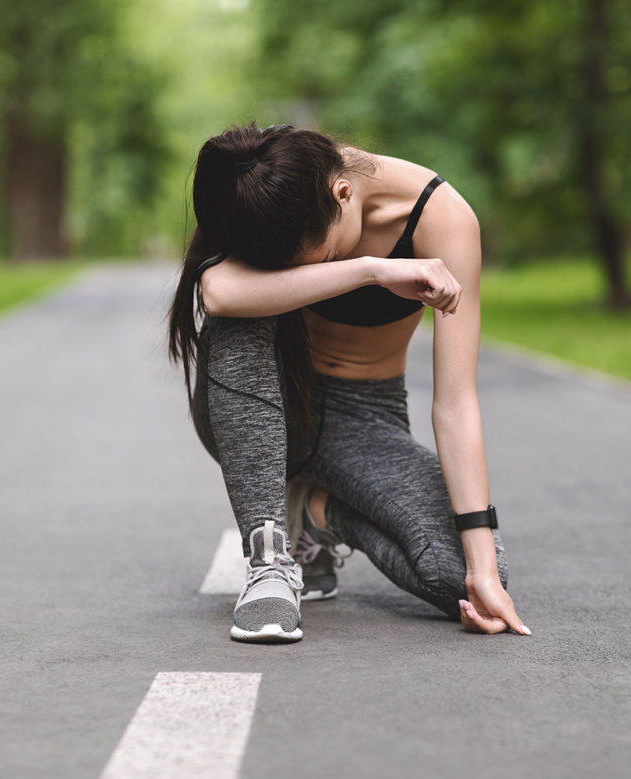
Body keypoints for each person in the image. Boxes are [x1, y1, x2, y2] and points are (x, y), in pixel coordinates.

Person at [166, 121, 531, 643]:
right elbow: (220, 294)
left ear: (343, 193)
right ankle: (270, 562)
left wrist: (482, 570)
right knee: (239, 322)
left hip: (365, 419)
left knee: (463, 582)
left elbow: (455, 404)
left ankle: (317, 515)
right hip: (266, 408)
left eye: (326, 257)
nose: (323, 271)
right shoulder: (267, 188)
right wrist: (370, 270)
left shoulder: (442, 220)